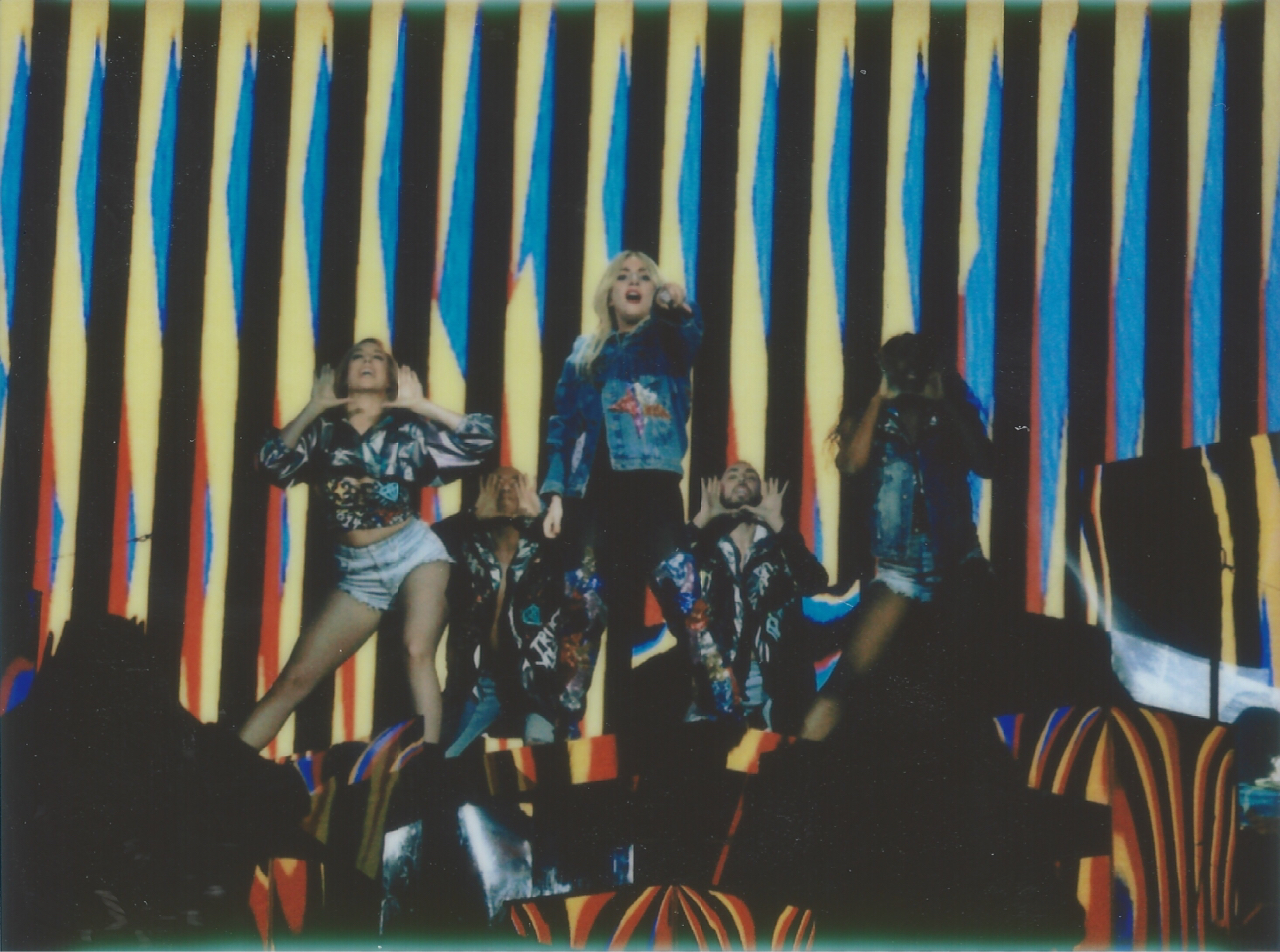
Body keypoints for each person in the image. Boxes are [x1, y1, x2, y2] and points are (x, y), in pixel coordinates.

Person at [239, 338, 495, 750]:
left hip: (415, 555)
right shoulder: (321, 433)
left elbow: (481, 440)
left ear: (392, 377)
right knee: (296, 679)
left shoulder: (410, 431)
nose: (367, 361)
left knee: (416, 648)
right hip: (357, 574)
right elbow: (269, 464)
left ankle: (428, 766)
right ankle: (223, 767)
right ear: (342, 374)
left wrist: (421, 405)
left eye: (378, 357)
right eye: (357, 355)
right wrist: (313, 407)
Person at [800, 332, 994, 741]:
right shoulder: (869, 418)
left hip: (959, 557)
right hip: (900, 567)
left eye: (914, 365)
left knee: (966, 674)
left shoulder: (949, 415)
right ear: (884, 369)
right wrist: (878, 400)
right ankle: (794, 762)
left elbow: (986, 464)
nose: (907, 374)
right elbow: (851, 465)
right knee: (848, 676)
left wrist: (944, 401)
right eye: (898, 366)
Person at [540, 250, 701, 733]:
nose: (634, 282)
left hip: (652, 490)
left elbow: (688, 337)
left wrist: (678, 308)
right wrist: (555, 495)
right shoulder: (582, 352)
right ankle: (562, 732)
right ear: (609, 293)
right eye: (623, 276)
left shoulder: (665, 341)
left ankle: (723, 710)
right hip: (593, 496)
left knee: (687, 602)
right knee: (582, 611)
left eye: (645, 277)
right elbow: (563, 426)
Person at [434, 467, 605, 758]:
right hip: (482, 684)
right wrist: (474, 515)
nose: (505, 488)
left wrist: (540, 514)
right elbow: (434, 536)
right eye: (496, 482)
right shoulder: (470, 547)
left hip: (538, 687)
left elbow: (586, 575)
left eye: (515, 481)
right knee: (442, 757)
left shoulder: (550, 549)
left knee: (545, 758)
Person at [683, 462, 829, 731]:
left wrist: (777, 521)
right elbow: (669, 575)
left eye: (750, 476)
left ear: (760, 491)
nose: (742, 479)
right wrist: (702, 517)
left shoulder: (778, 544)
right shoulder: (706, 548)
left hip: (777, 684)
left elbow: (815, 582)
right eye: (733, 475)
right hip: (717, 678)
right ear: (720, 489)